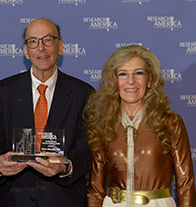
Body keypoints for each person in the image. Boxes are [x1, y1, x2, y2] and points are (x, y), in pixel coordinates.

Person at [0, 17, 94, 207]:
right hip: (13, 199)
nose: (41, 48)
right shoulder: (3, 91)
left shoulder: (83, 93)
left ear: (60, 47)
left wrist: (66, 166)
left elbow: (86, 149)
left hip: (63, 199)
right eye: (33, 42)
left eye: (48, 40)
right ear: (26, 51)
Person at [84, 45, 196, 206]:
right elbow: (95, 188)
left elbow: (186, 185)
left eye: (138, 73)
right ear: (114, 81)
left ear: (149, 79)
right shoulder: (104, 124)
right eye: (123, 74)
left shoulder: (170, 122)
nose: (131, 81)